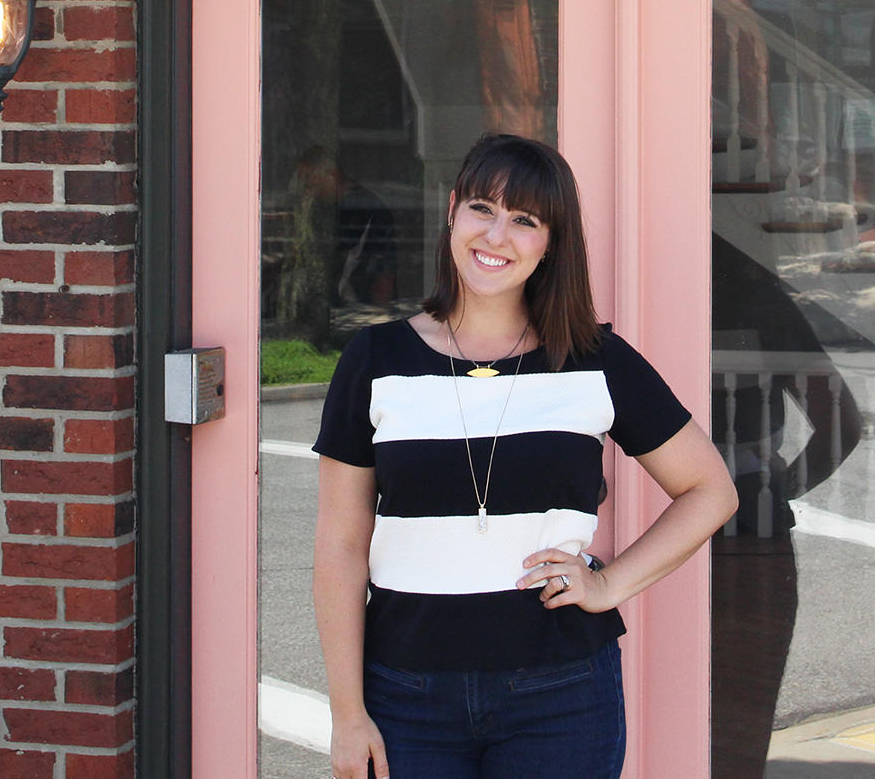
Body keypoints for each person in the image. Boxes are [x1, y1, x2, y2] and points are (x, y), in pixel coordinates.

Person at [312, 133, 738, 779]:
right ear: (452, 211)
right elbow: (341, 547)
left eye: (525, 220)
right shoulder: (374, 362)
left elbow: (711, 490)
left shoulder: (593, 360)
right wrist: (348, 714)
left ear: (551, 243)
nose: (496, 236)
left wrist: (609, 583)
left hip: (559, 695)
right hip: (406, 695)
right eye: (482, 208)